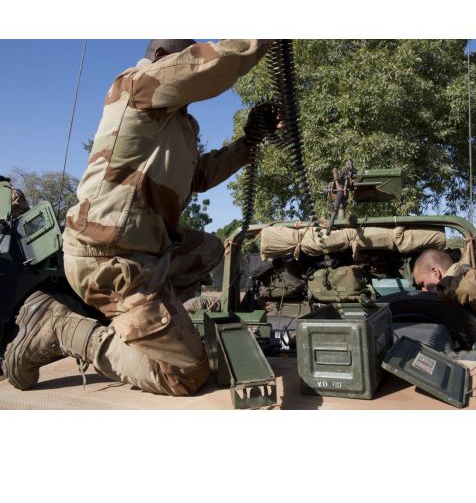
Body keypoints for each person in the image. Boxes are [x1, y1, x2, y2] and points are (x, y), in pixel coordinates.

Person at [3, 39, 277, 396]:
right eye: (182, 56)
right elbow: (217, 65)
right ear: (164, 58)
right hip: (108, 258)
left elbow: (197, 178)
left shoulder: (177, 127)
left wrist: (247, 143)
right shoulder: (138, 85)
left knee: (209, 249)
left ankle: (151, 325)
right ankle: (59, 327)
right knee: (184, 375)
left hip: (146, 255)